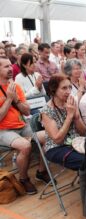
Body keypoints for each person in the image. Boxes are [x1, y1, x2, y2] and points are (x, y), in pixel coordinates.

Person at [0, 56, 48, 194]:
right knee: (25, 146)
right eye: (6, 66)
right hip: (4, 130)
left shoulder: (16, 86)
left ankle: (41, 171)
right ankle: (23, 178)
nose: (10, 69)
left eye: (10, 66)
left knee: (50, 136)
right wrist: (9, 99)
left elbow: (27, 110)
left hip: (22, 125)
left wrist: (16, 100)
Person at [40, 73, 86, 170]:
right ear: (54, 89)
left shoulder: (71, 102)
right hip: (56, 148)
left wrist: (77, 118)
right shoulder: (46, 111)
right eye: (64, 88)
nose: (68, 91)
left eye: (70, 87)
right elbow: (57, 139)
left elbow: (83, 132)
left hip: (77, 142)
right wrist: (69, 116)